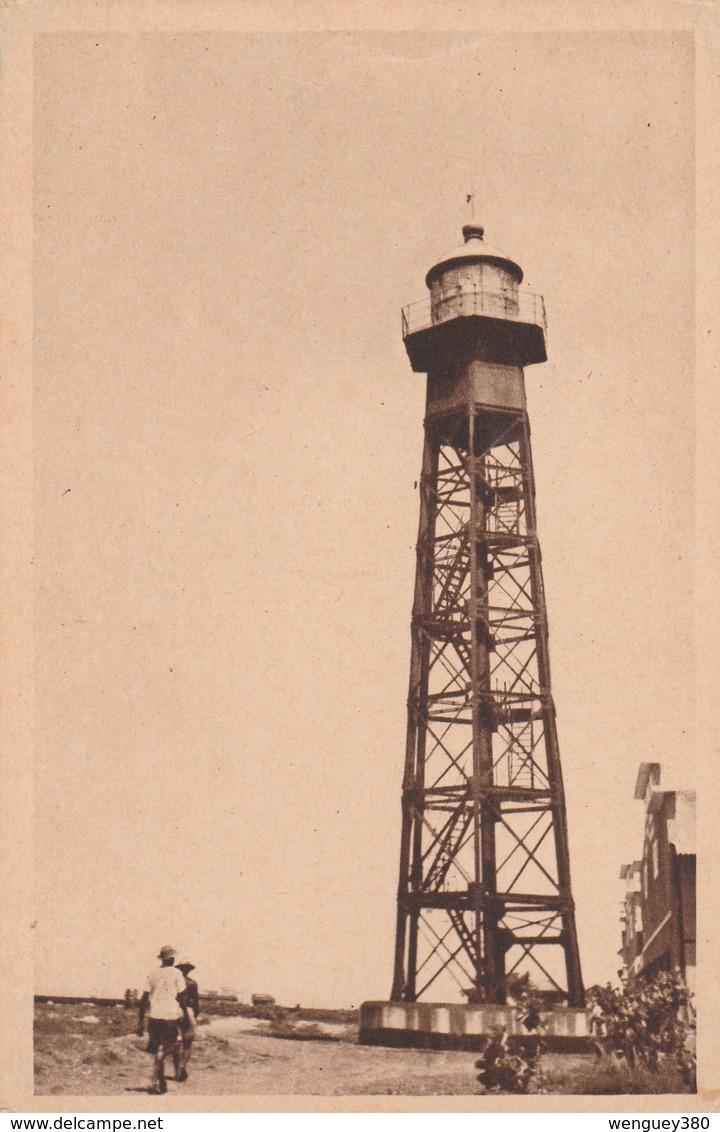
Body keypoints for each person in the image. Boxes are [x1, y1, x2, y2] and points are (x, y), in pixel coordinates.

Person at [136, 945, 190, 1095]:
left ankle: (158, 1079)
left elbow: (143, 999)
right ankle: (167, 1077)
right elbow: (182, 997)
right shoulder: (177, 973)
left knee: (157, 1048)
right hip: (171, 1016)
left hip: (154, 1017)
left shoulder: (152, 974)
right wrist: (184, 1015)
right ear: (172, 959)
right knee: (168, 1047)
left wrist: (140, 1021)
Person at [173, 958, 199, 1082]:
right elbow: (196, 1002)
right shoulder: (192, 983)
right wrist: (195, 1016)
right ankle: (182, 1067)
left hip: (175, 1010)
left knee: (175, 1042)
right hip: (188, 1011)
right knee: (187, 1043)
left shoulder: (174, 982)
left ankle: (178, 1069)